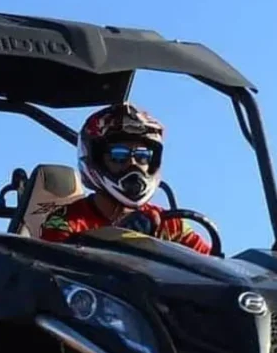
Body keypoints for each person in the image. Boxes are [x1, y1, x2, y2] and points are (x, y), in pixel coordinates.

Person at [39, 102, 211, 255]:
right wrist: (117, 239)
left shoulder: (170, 224)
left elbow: (214, 266)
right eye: (119, 155)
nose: (133, 164)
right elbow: (55, 277)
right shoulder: (65, 223)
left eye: (142, 156)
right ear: (97, 161)